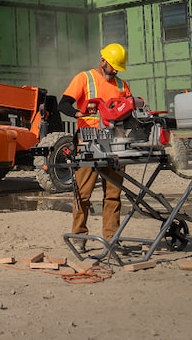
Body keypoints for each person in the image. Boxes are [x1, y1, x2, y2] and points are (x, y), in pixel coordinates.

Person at [58, 43, 131, 253]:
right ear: (103, 61)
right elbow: (63, 104)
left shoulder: (122, 86)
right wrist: (78, 114)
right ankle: (79, 237)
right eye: (113, 67)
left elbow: (129, 111)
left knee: (113, 195)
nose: (115, 71)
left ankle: (112, 238)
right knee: (82, 194)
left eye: (118, 68)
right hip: (88, 144)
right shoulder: (84, 78)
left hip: (114, 144)